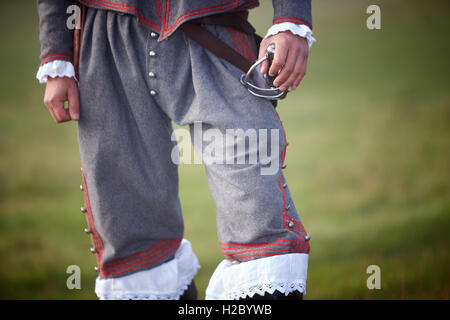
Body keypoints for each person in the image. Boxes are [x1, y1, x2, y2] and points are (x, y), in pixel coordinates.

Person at [36, 0, 315, 300]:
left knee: (263, 232)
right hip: (107, 41)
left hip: (212, 27)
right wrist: (56, 53)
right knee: (135, 251)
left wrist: (292, 18)